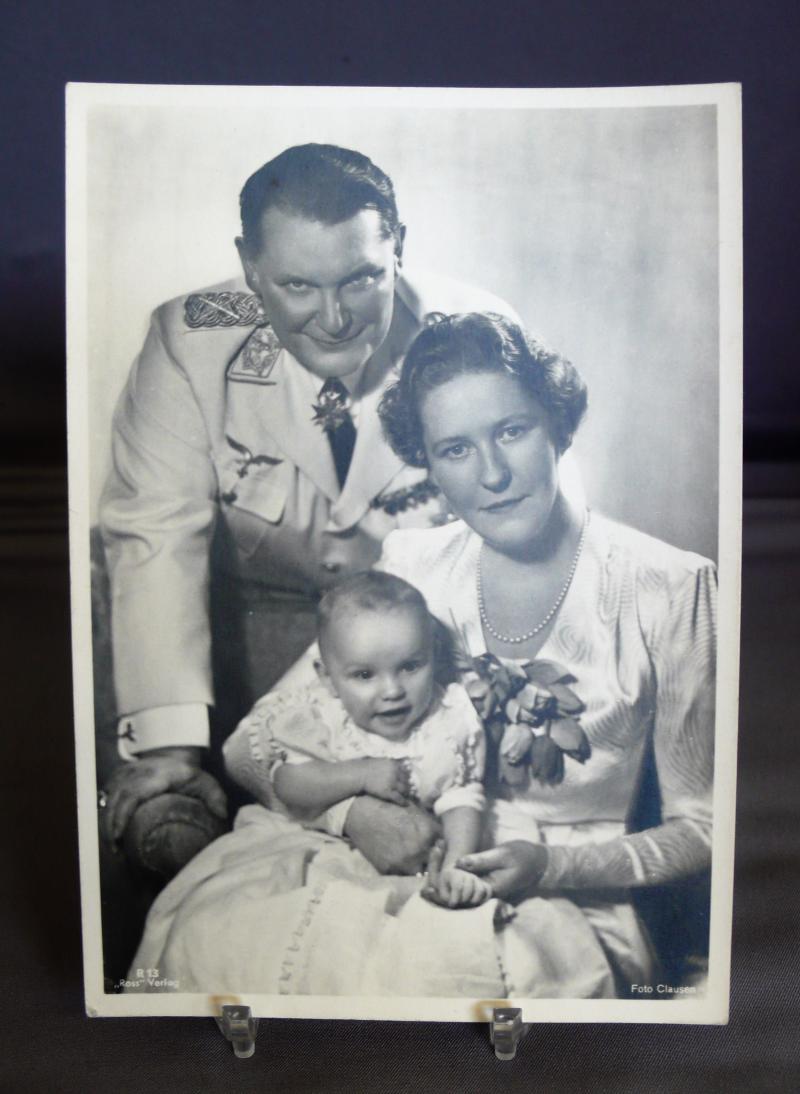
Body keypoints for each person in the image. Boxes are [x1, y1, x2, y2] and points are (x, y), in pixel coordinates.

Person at [126, 311, 714, 999]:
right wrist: (352, 815)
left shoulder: (671, 586)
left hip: (560, 899)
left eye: (512, 431)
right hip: (373, 860)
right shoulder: (413, 563)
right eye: (455, 450)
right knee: (219, 936)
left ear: (555, 423)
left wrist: (551, 867)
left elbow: (702, 830)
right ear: (429, 465)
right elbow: (250, 747)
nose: (492, 474)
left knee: (441, 978)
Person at [98, 143, 523, 851]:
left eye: (359, 280)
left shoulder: (475, 337)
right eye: (297, 287)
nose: (333, 318)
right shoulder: (190, 341)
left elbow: (525, 532)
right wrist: (171, 747)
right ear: (250, 267)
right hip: (244, 667)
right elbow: (155, 536)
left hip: (429, 673)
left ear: (400, 250)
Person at [223, 571, 491, 909]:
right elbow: (288, 783)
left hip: (419, 865)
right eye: (365, 675)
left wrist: (457, 866)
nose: (392, 691)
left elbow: (461, 798)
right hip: (324, 850)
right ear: (328, 679)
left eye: (410, 666)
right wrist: (359, 774)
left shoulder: (447, 721)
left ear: (433, 658)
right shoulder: (323, 718)